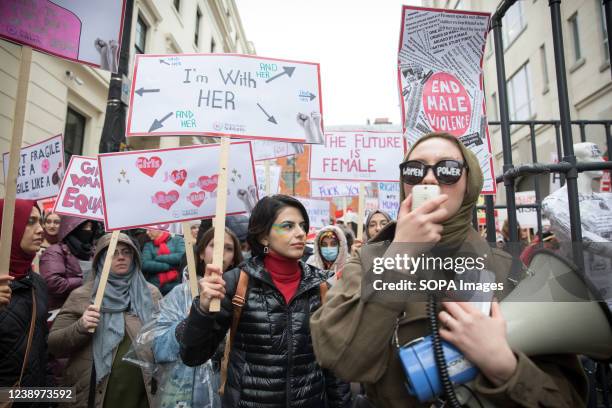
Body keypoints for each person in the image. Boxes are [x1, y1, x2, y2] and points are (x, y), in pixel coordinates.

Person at [310, 133, 587, 407]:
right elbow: (342, 360)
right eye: (414, 170)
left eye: (447, 170)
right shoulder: (369, 259)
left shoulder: (510, 271)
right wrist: (400, 255)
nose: (429, 179)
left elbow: (566, 399)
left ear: (469, 183)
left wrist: (504, 366)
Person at [177, 195, 351, 407]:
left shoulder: (320, 287)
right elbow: (192, 355)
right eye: (288, 226)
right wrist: (202, 310)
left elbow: (336, 368)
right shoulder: (236, 283)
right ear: (263, 237)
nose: (300, 233)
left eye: (302, 225)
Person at [48, 232, 161, 407]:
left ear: (135, 257)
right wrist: (81, 327)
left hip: (142, 394)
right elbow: (54, 345)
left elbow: (166, 340)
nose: (121, 257)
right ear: (100, 259)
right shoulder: (82, 295)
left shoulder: (150, 294)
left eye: (126, 252)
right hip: (94, 395)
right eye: (113, 253)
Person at [146, 227, 243, 408]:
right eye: (214, 245)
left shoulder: (241, 298)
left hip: (225, 395)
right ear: (200, 254)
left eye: (228, 248)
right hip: (181, 394)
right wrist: (191, 323)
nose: (220, 252)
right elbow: (159, 348)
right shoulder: (179, 294)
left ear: (234, 258)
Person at [0, 199, 50, 393]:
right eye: (30, 222)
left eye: (40, 221)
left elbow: (42, 353)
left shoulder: (38, 283)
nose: (40, 230)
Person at [40, 216, 99, 311]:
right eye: (84, 227)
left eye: (91, 228)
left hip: (87, 309)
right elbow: (53, 283)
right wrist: (87, 280)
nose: (88, 230)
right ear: (73, 228)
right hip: (62, 311)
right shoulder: (54, 251)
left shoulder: (91, 252)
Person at [142, 229, 185, 295]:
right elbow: (144, 264)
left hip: (177, 284)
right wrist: (169, 267)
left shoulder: (177, 240)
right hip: (156, 287)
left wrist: (158, 258)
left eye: (149, 230)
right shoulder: (148, 245)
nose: (147, 233)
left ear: (159, 229)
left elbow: (181, 256)